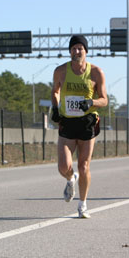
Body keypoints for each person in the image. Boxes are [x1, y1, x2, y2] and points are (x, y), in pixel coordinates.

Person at [51, 35, 108, 218]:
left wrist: (91, 102)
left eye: (80, 48)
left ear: (86, 51)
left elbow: (104, 100)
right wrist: (55, 107)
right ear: (69, 51)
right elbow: (55, 91)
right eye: (74, 48)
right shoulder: (60, 71)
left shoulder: (96, 72)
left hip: (87, 122)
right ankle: (70, 178)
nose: (77, 51)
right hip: (67, 122)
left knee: (84, 166)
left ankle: (82, 205)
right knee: (63, 166)